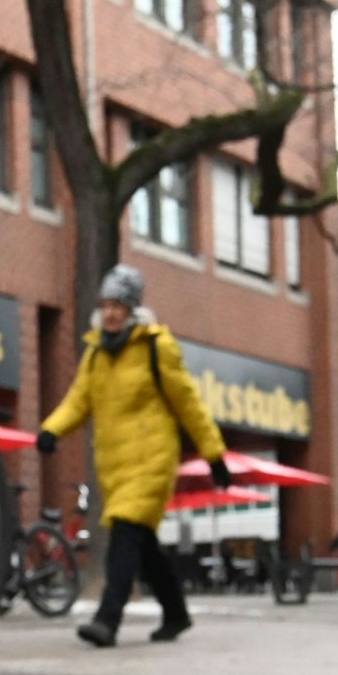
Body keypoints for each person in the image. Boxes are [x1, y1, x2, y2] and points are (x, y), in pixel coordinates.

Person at [38, 265, 230, 647]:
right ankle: (176, 613)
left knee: (125, 535)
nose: (110, 313)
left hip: (152, 460)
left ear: (132, 308)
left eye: (118, 305)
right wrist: (51, 429)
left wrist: (215, 455)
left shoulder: (156, 346)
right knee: (142, 544)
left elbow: (188, 403)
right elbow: (78, 401)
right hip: (114, 466)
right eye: (105, 304)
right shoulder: (94, 354)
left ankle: (107, 620)